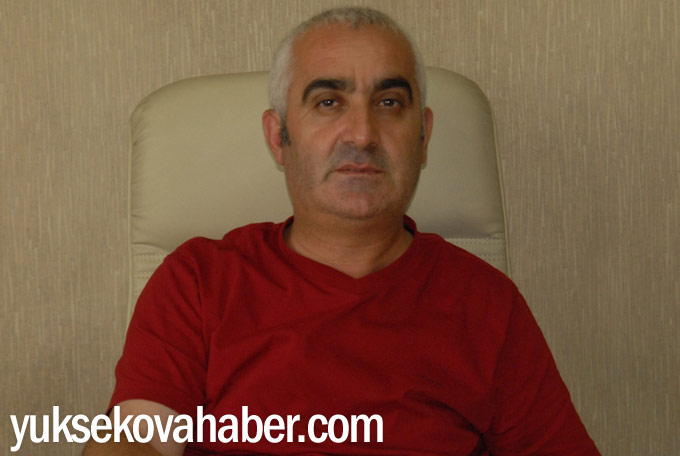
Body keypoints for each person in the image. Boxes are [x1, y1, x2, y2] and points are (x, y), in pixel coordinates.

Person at [85, 7, 600, 456]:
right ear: (279, 137)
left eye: (389, 102)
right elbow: (139, 439)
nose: (362, 133)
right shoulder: (199, 280)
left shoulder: (487, 304)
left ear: (423, 137)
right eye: (328, 102)